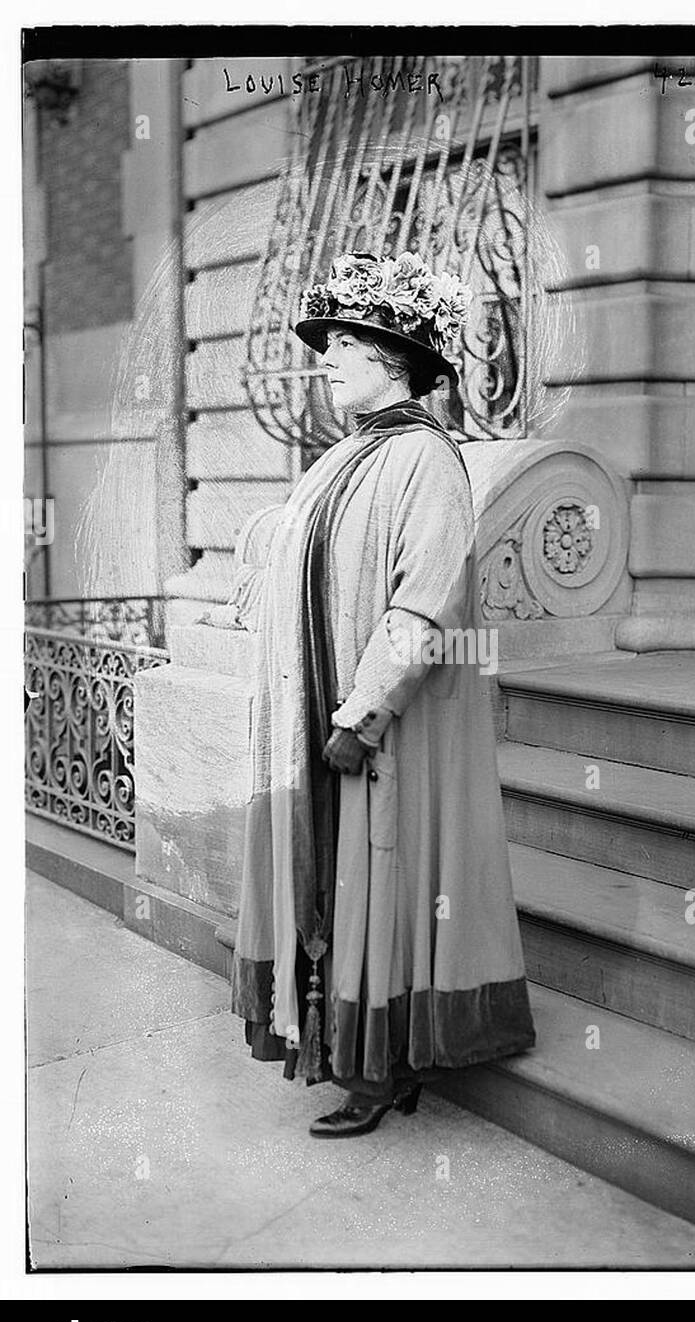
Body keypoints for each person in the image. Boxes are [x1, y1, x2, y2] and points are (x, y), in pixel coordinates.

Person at [205, 250, 536, 1138]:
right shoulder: (346, 455)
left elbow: (422, 599)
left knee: (377, 882)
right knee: (337, 880)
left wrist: (363, 711)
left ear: (392, 359)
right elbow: (300, 544)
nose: (325, 361)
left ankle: (382, 1068)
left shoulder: (426, 460)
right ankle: (342, 1047)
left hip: (373, 727)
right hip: (310, 705)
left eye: (342, 345)